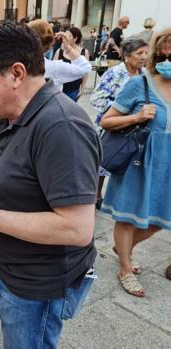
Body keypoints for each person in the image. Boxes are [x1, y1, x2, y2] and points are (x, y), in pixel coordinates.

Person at [0, 23, 100, 348]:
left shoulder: (61, 127)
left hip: (38, 287)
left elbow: (76, 229)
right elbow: (16, 178)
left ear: (16, 73)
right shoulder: (12, 115)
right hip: (15, 273)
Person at [100, 28, 171, 297]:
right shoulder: (140, 84)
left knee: (161, 218)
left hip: (167, 163)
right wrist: (137, 117)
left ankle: (123, 248)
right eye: (166, 49)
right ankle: (125, 267)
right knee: (128, 217)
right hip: (140, 159)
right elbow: (107, 120)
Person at [90, 38, 149, 209]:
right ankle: (96, 196)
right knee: (104, 161)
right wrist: (119, 109)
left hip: (134, 128)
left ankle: (120, 197)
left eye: (146, 53)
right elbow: (96, 97)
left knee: (126, 160)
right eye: (139, 53)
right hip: (111, 125)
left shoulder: (145, 75)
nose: (144, 57)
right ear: (127, 56)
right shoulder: (115, 73)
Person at [28, 19, 91, 90]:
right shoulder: (54, 68)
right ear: (50, 45)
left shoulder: (16, 62)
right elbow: (86, 68)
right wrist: (67, 48)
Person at [53, 27, 91, 101]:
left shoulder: (84, 52)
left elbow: (85, 73)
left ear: (75, 38)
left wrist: (82, 89)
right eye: (65, 35)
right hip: (59, 89)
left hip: (74, 89)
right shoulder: (59, 51)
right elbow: (53, 71)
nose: (65, 38)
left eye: (69, 36)